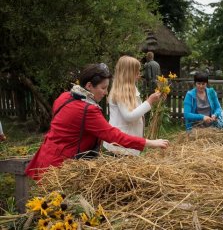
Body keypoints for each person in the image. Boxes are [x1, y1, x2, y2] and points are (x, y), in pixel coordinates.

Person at [25, 63, 169, 180]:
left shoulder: (65, 96)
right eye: (103, 88)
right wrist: (149, 143)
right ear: (89, 86)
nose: (106, 92)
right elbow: (113, 136)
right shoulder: (87, 110)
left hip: (46, 157)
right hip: (60, 168)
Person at [103, 56, 162, 156]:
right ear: (128, 73)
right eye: (136, 71)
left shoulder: (130, 88)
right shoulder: (120, 92)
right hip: (120, 147)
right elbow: (129, 116)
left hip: (126, 145)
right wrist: (149, 101)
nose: (139, 74)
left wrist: (150, 102)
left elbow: (136, 111)